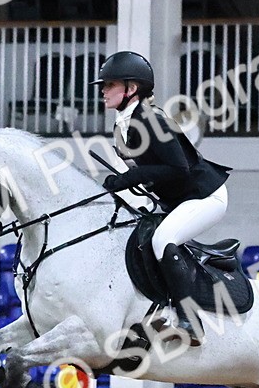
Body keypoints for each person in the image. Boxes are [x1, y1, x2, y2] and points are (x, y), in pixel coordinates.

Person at [93, 50, 230, 345]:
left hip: (205, 195)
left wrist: (126, 180)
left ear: (132, 89)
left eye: (110, 85)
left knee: (163, 239)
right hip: (176, 199)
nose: (103, 91)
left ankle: (190, 321)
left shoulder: (153, 119)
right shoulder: (122, 125)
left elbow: (178, 168)